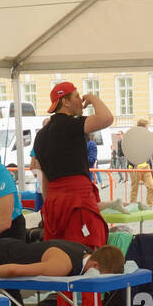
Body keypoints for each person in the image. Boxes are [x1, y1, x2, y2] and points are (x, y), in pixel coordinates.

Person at [33, 81, 113, 247]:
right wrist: (93, 98)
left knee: (58, 251)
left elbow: (40, 173)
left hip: (54, 200)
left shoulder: (40, 136)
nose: (81, 100)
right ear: (65, 102)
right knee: (87, 250)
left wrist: (49, 204)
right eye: (77, 96)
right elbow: (107, 118)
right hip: (77, 199)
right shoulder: (70, 124)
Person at [127, 119, 153, 210]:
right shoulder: (132, 137)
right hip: (134, 167)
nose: (148, 129)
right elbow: (129, 151)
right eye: (147, 127)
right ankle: (132, 206)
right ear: (142, 128)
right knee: (134, 188)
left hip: (145, 166)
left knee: (150, 186)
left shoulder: (146, 138)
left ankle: (149, 206)